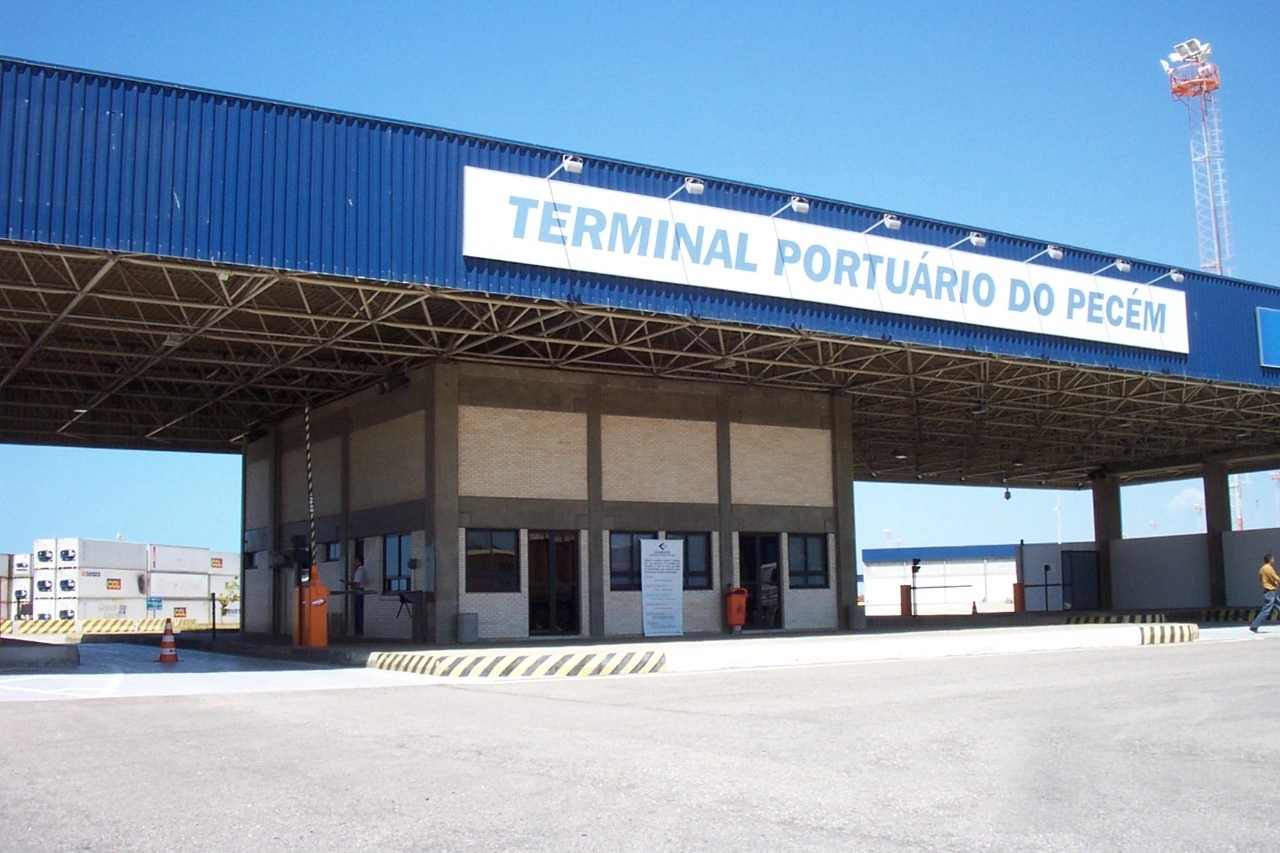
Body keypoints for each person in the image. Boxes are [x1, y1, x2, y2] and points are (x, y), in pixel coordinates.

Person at [1249, 553, 1279, 634]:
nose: (1274, 560)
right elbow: (1275, 577)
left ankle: (1254, 626)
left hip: (1269, 590)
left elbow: (1260, 579)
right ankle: (1254, 626)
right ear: (1270, 560)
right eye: (1273, 559)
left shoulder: (1262, 569)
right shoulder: (1268, 568)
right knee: (1266, 610)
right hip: (1270, 591)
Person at [345, 557, 367, 635]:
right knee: (359, 609)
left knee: (359, 610)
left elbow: (357, 583)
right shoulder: (360, 570)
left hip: (359, 590)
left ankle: (361, 629)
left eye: (355, 562)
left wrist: (349, 583)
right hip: (360, 590)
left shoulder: (360, 571)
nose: (354, 564)